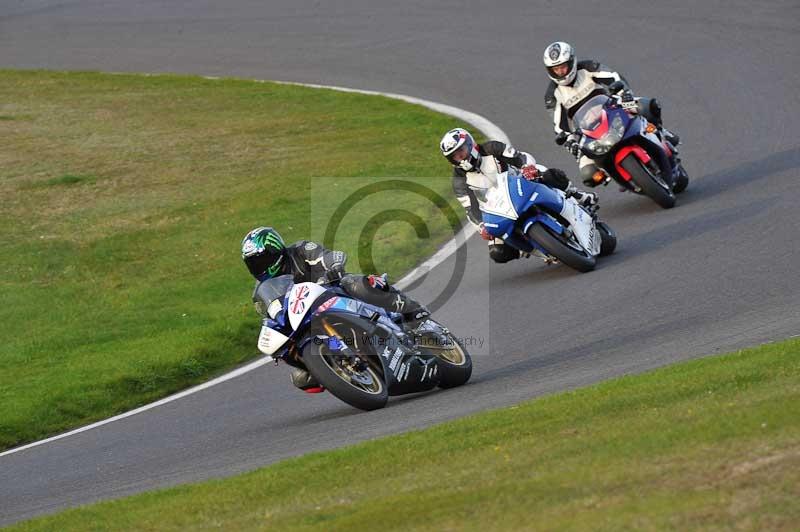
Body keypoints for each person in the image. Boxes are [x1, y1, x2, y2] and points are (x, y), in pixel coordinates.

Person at [241, 226, 430, 391]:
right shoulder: (261, 290)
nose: (260, 267)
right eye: (254, 264)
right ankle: (338, 364)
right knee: (300, 377)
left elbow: (330, 256)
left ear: (276, 251)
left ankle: (413, 312)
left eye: (263, 260)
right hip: (310, 322)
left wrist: (334, 267)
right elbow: (272, 313)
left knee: (357, 283)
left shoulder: (300, 250)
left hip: (334, 291)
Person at [440, 127, 597, 264]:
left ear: (470, 145)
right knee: (498, 252)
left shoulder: (491, 148)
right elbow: (471, 210)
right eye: (455, 156)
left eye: (461, 151)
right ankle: (536, 248)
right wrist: (481, 227)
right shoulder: (459, 182)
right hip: (499, 208)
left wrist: (527, 167)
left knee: (546, 173)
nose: (460, 157)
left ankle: (578, 196)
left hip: (521, 184)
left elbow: (520, 156)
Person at [542, 41, 681, 186]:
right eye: (555, 70)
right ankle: (616, 174)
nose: (560, 72)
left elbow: (614, 77)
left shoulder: (588, 68)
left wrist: (625, 93)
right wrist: (569, 140)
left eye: (563, 67)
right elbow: (559, 125)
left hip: (612, 108)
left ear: (572, 62)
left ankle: (662, 132)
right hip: (587, 131)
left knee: (648, 106)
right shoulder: (552, 95)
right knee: (588, 175)